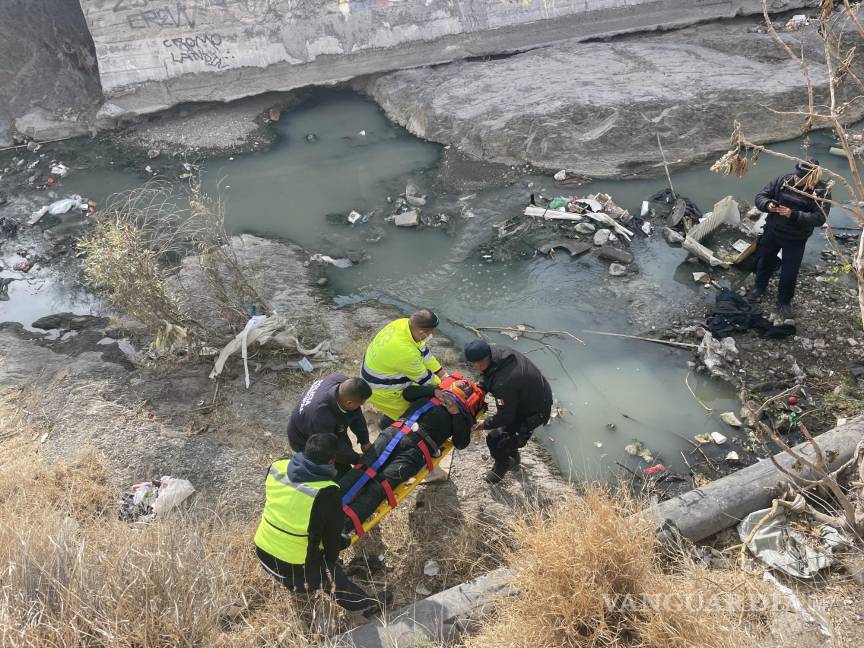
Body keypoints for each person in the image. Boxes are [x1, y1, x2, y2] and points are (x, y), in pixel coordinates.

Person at [254, 433, 390, 616]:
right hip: (294, 568)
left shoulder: (277, 467)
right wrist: (335, 556)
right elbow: (331, 540)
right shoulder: (327, 491)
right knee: (328, 573)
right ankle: (364, 606)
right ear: (332, 460)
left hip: (263, 553)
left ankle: (298, 579)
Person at [340, 374, 485, 538]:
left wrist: (456, 413)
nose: (448, 400)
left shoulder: (462, 416)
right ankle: (326, 505)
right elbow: (407, 393)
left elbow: (461, 443)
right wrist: (434, 392)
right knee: (363, 469)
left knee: (380, 487)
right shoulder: (432, 394)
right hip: (397, 433)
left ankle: (343, 526)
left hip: (415, 450)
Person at [462, 340, 553, 484]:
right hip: (531, 393)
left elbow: (505, 417)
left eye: (471, 364)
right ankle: (514, 459)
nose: (471, 367)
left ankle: (502, 465)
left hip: (534, 411)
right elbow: (489, 375)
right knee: (508, 438)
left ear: (480, 363)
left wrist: (484, 424)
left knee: (495, 439)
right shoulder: (497, 352)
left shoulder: (503, 383)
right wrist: (480, 388)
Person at [750, 158, 832, 318]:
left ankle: (784, 301)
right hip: (772, 231)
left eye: (801, 177)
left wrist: (793, 214)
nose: (796, 178)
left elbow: (819, 218)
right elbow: (761, 196)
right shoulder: (783, 180)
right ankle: (759, 288)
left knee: (789, 271)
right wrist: (767, 205)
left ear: (812, 177)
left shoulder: (821, 191)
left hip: (796, 238)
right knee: (764, 261)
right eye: (796, 174)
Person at [362, 309, 447, 425]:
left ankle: (388, 419)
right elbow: (426, 379)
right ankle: (387, 425)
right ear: (422, 333)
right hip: (382, 391)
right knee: (411, 418)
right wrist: (446, 387)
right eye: (431, 332)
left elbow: (423, 352)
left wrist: (444, 375)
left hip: (379, 370)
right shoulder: (405, 352)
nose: (432, 335)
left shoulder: (402, 323)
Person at [287, 375, 372, 476]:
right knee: (338, 472)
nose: (361, 406)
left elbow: (356, 414)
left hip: (321, 426)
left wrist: (364, 441)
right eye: (360, 404)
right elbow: (331, 448)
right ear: (349, 403)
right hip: (304, 439)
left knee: (345, 449)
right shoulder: (320, 417)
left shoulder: (344, 383)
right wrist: (357, 459)